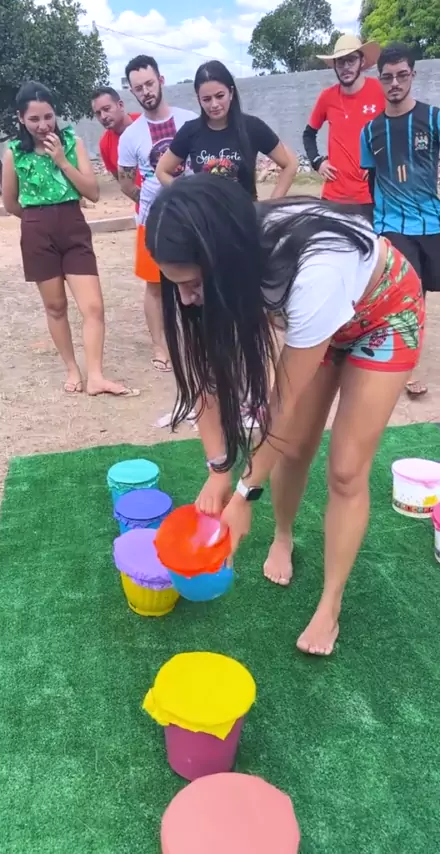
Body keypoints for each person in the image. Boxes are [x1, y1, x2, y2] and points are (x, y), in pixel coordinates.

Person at [145, 173, 424, 656]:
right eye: (177, 286)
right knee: (293, 448)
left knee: (345, 471)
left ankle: (330, 604)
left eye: (192, 284)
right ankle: (284, 534)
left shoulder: (315, 271)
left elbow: (282, 403)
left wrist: (244, 494)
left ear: (225, 260)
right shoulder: (224, 261)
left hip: (383, 315)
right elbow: (207, 378)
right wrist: (218, 470)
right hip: (318, 322)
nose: (186, 298)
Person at [2, 81, 139, 398]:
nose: (43, 125)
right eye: (34, 119)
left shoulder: (72, 143)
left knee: (93, 307)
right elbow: (10, 203)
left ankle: (96, 376)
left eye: (48, 117)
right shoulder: (14, 153)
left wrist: (62, 161)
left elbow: (92, 192)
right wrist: (36, 221)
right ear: (21, 118)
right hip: (36, 229)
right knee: (55, 306)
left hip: (73, 225)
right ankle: (72, 369)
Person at [360, 42, 440, 397]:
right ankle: (407, 370)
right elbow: (372, 179)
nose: (394, 83)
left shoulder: (434, 119)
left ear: (413, 75)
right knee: (409, 296)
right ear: (379, 79)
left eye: (401, 75)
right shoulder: (370, 131)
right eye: (387, 77)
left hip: (433, 222)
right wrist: (377, 226)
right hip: (393, 226)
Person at [117, 55, 197, 373]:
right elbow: (125, 180)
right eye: (138, 88)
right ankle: (160, 347)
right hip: (152, 222)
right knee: (154, 285)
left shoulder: (190, 121)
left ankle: (197, 342)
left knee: (196, 279)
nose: (146, 91)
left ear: (161, 80)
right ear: (132, 91)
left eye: (149, 83)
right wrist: (147, 201)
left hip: (192, 218)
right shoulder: (130, 135)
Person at [155, 60, 297, 199]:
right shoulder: (190, 131)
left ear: (231, 92)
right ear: (199, 99)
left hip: (246, 214)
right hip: (206, 214)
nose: (214, 104)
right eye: (207, 99)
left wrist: (270, 206)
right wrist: (189, 196)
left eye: (220, 96)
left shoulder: (253, 127)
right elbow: (162, 171)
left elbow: (289, 164)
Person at [303, 35, 385, 220]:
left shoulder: (379, 91)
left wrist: (381, 163)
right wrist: (317, 162)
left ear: (362, 61)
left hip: (369, 196)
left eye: (351, 60)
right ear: (335, 65)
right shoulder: (327, 97)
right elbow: (308, 134)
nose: (346, 66)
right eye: (340, 62)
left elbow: (396, 132)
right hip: (333, 196)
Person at [91, 86, 141, 189]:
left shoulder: (146, 123)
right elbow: (124, 184)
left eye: (106, 109)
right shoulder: (105, 144)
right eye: (98, 113)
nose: (103, 117)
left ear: (120, 105)